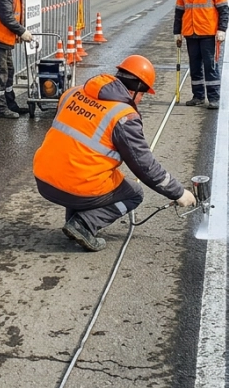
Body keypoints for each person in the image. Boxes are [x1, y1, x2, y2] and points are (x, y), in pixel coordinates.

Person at [33, 55, 197, 252]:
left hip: (44, 179)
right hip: (74, 187)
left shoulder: (73, 93)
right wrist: (178, 192)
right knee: (132, 194)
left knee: (90, 168)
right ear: (135, 89)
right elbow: (145, 166)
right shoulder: (123, 116)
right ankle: (84, 224)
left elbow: (73, 145)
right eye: (143, 94)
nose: (141, 99)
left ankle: (74, 219)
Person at [173, 0, 229, 109]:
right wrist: (177, 32)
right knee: (195, 66)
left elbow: (224, 9)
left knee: (210, 66)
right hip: (191, 33)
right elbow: (179, 11)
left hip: (208, 34)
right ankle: (198, 96)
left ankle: (214, 98)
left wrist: (222, 29)